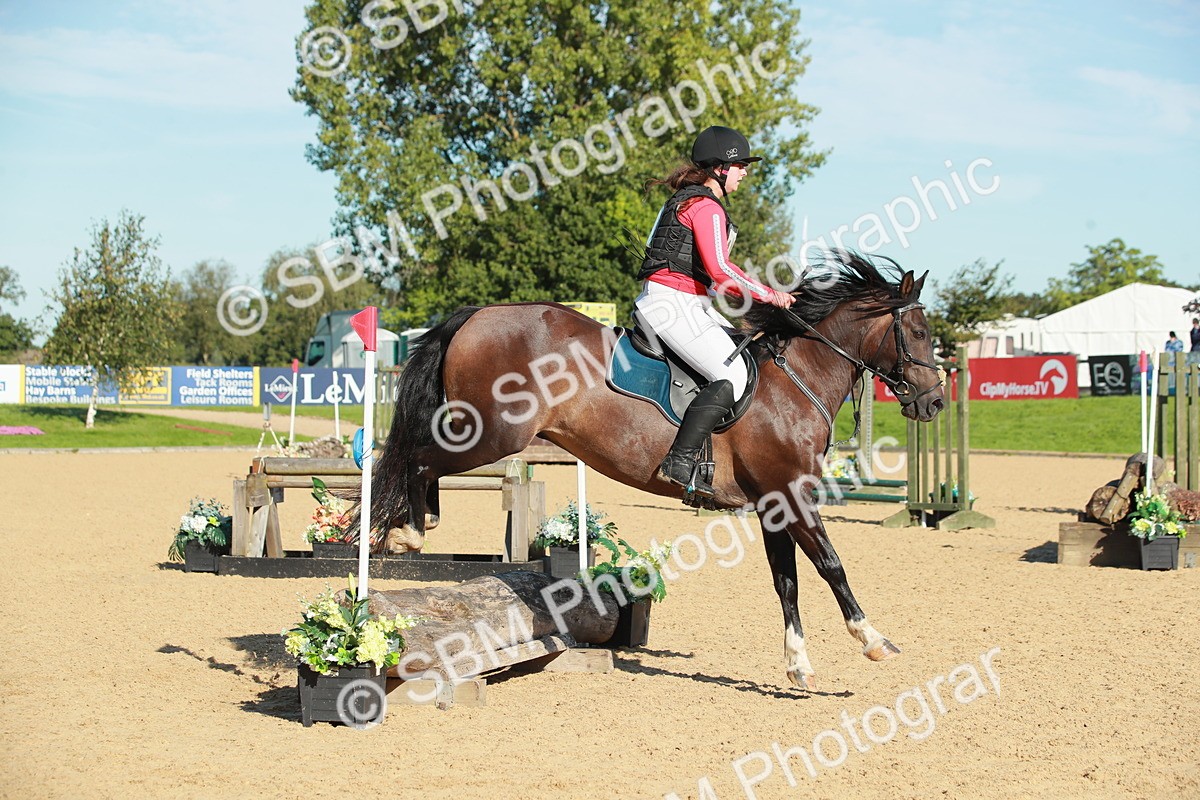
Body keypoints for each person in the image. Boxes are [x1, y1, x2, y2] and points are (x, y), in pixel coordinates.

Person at [634, 125, 794, 499]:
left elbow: (717, 270)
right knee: (733, 374)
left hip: (686, 302)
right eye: (741, 166)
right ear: (721, 168)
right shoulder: (704, 207)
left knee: (745, 354)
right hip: (672, 304)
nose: (745, 172)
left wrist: (762, 296)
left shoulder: (686, 201)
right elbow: (722, 272)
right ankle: (680, 460)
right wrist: (771, 297)